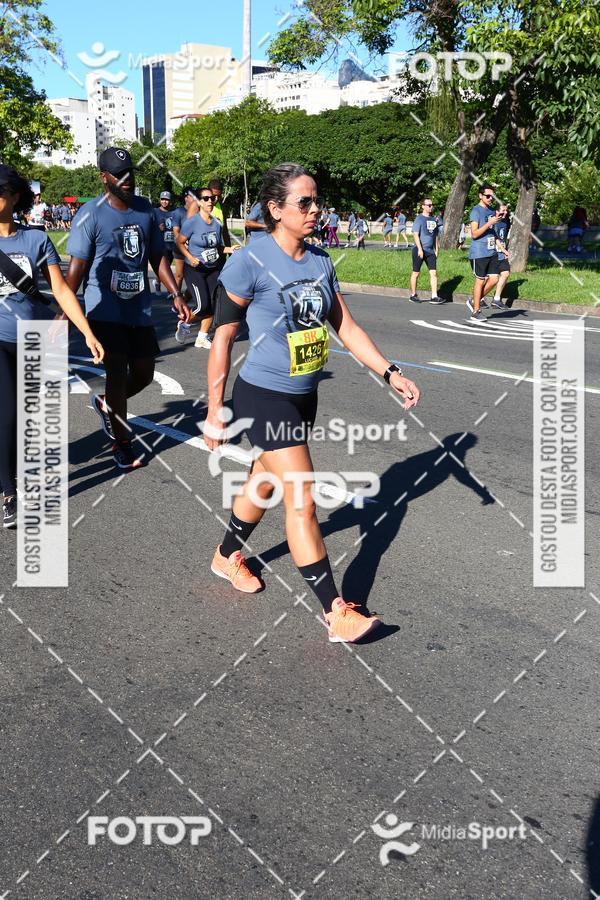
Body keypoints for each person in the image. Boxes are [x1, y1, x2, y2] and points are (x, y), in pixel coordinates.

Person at [204, 162, 420, 643]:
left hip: (304, 395)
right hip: (262, 395)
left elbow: (345, 326)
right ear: (275, 209)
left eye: (316, 200)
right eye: (304, 202)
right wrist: (214, 409)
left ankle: (225, 555)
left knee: (264, 481)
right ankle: (334, 611)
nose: (315, 209)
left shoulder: (321, 261)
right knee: (301, 497)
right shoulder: (249, 260)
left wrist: (389, 371)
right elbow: (222, 338)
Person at [64, 147, 190, 470]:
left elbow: (157, 257)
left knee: (145, 373)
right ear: (104, 178)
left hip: (139, 310)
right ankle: (121, 441)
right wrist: (65, 312)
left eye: (130, 172)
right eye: (119, 174)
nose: (127, 179)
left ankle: (107, 404)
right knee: (117, 372)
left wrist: (175, 292)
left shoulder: (145, 210)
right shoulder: (90, 214)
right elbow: (77, 269)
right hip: (104, 308)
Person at [0, 164, 104, 528]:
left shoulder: (36, 240)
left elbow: (61, 290)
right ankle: (8, 493)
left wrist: (86, 331)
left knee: (25, 418)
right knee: (7, 413)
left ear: (13, 196)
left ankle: (11, 471)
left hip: (31, 339)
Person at [176, 188, 234, 350]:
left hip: (213, 269)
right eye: (206, 198)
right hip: (195, 270)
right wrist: (190, 257)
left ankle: (202, 337)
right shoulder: (192, 222)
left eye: (212, 198)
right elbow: (179, 242)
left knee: (214, 304)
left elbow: (218, 247)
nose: (210, 201)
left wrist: (231, 250)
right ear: (200, 202)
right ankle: (185, 322)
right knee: (202, 306)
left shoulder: (216, 223)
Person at [467, 183, 501, 323]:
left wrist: (501, 246)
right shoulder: (475, 211)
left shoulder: (491, 211)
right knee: (480, 281)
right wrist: (489, 223)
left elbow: (491, 231)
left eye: (492, 196)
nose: (490, 198)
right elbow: (474, 234)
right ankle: (476, 311)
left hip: (491, 250)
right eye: (487, 196)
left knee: (494, 279)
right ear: (480, 196)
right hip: (479, 251)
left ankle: (474, 300)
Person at [409, 199, 443, 304]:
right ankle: (413, 295)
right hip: (419, 250)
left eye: (432, 205)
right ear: (423, 206)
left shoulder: (434, 219)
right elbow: (415, 234)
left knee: (434, 273)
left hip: (430, 251)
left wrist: (436, 249)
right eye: (428, 205)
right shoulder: (419, 219)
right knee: (416, 273)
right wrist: (419, 249)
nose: (431, 207)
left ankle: (434, 296)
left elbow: (435, 235)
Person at [492, 204, 511, 309]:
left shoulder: (504, 222)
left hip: (502, 253)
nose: (506, 212)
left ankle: (496, 299)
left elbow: (503, 238)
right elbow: (494, 238)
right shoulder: (492, 222)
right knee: (489, 278)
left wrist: (504, 250)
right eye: (503, 210)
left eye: (506, 210)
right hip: (493, 254)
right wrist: (502, 249)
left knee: (506, 273)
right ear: (496, 211)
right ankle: (478, 298)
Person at [153, 190, 176, 266]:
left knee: (167, 267)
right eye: (162, 199)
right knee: (161, 268)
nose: (164, 201)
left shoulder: (175, 212)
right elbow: (149, 227)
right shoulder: (154, 212)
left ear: (170, 201)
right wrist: (157, 229)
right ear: (160, 200)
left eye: (166, 199)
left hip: (171, 246)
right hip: (159, 246)